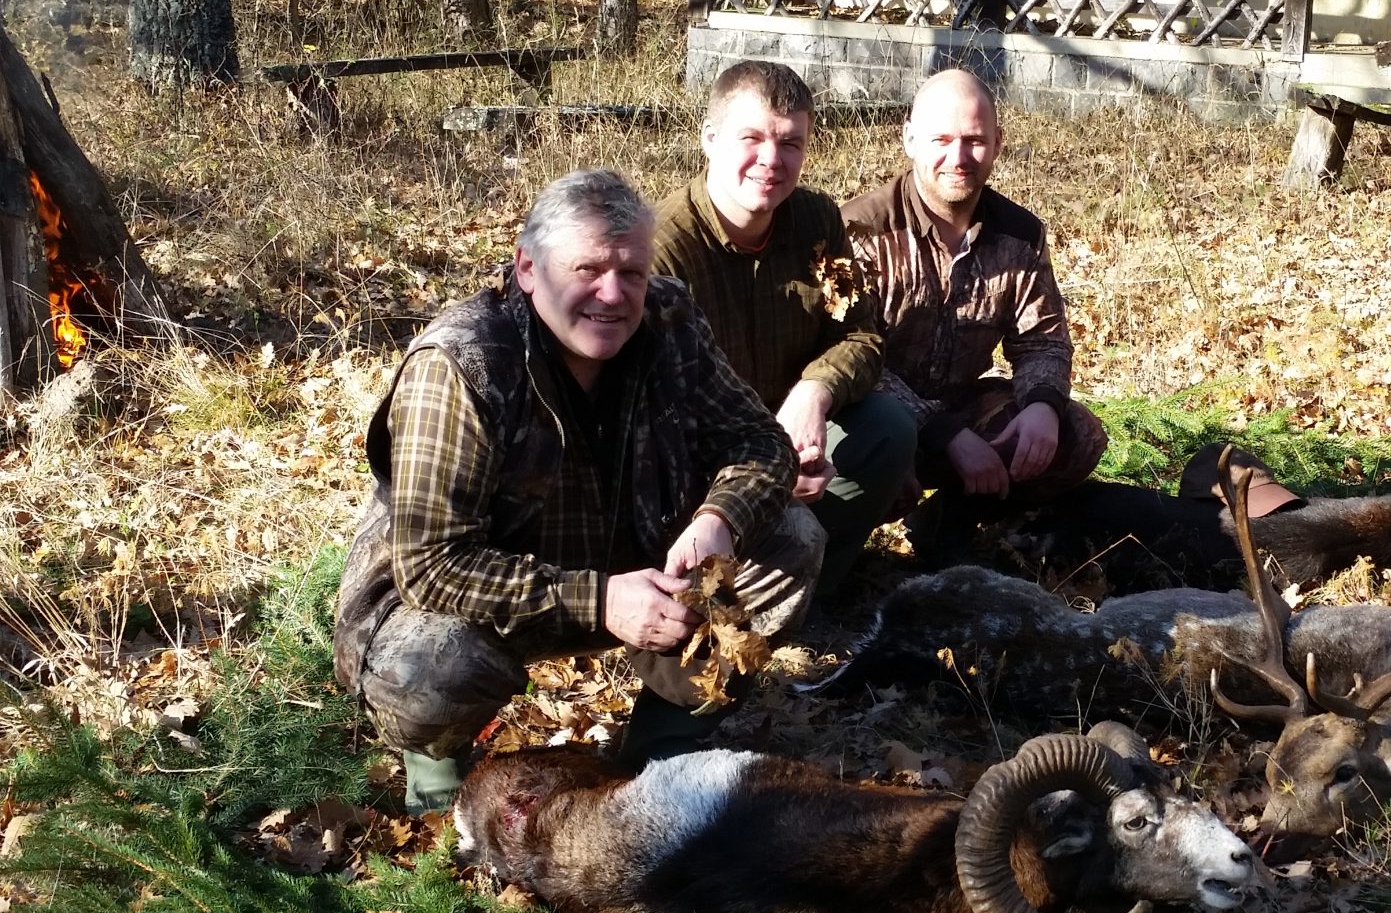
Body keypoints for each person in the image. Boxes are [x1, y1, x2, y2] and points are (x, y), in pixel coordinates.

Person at [333, 169, 821, 814]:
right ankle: (441, 777)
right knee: (431, 663)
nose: (613, 295)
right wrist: (602, 599)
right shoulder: (462, 365)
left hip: (642, 562)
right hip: (495, 596)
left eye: (631, 273)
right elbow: (430, 566)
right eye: (587, 270)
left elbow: (761, 442)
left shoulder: (669, 318)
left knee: (790, 539)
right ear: (528, 269)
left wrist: (719, 521)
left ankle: (659, 758)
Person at [653, 60, 916, 596]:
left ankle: (815, 595)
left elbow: (860, 334)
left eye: (791, 143)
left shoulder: (818, 220)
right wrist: (761, 471)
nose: (771, 160)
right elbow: (656, 413)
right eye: (752, 138)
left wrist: (814, 392)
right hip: (697, 465)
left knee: (888, 428)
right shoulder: (663, 251)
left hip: (792, 437)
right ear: (710, 139)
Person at [841, 68, 1108, 561]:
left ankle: (948, 522)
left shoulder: (1020, 234)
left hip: (961, 406)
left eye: (975, 141)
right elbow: (847, 358)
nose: (959, 158)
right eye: (942, 140)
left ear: (998, 143)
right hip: (871, 417)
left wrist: (1042, 406)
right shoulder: (859, 232)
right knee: (866, 456)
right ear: (910, 139)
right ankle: (843, 559)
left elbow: (1043, 341)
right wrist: (943, 434)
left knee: (1076, 434)